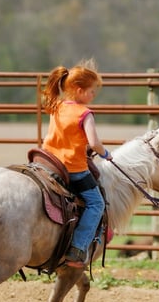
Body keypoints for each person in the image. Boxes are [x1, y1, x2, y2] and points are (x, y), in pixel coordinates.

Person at [41, 59, 113, 268]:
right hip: (73, 169)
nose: (93, 95)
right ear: (80, 91)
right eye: (92, 91)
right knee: (96, 203)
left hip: (50, 163)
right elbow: (94, 143)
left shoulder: (56, 106)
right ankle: (77, 248)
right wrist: (105, 154)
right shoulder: (84, 113)